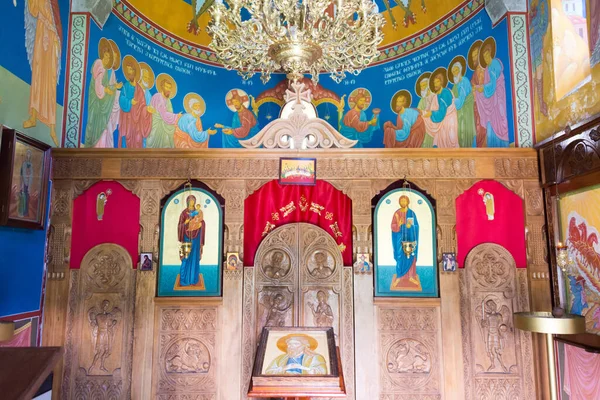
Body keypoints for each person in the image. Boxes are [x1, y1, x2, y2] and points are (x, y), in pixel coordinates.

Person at [23, 0, 62, 146]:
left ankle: (52, 128)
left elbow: (58, 25)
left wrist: (57, 43)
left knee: (51, 83)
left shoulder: (54, 4)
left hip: (52, 41)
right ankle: (33, 116)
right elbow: (33, 11)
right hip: (41, 35)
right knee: (38, 75)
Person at [84, 38, 122, 148]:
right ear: (103, 55)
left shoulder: (112, 72)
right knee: (96, 128)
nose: (108, 59)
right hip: (97, 106)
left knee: (107, 131)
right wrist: (106, 90)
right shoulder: (99, 64)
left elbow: (110, 88)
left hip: (106, 110)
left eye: (110, 58)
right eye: (107, 56)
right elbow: (98, 85)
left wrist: (115, 87)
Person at [473, 38, 510, 147]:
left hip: (498, 99)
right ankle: (492, 147)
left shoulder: (495, 64)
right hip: (491, 100)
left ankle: (502, 147)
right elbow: (487, 86)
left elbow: (493, 83)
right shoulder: (487, 69)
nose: (486, 58)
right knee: (490, 125)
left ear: (491, 54)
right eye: (484, 56)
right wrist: (480, 89)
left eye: (487, 55)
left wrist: (482, 88)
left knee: (500, 122)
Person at [118, 55, 152, 148]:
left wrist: (147, 110)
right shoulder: (125, 86)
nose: (130, 73)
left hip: (137, 122)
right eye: (128, 70)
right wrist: (129, 102)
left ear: (135, 72)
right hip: (127, 119)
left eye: (131, 70)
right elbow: (121, 99)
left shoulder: (139, 89)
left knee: (137, 140)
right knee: (127, 137)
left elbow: (142, 105)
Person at [420, 68, 459, 148]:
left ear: (442, 82)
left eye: (437, 82)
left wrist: (431, 113)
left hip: (448, 124)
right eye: (434, 83)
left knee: (448, 145)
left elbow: (441, 114)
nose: (435, 84)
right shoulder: (437, 95)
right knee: (438, 143)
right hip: (442, 125)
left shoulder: (445, 93)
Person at [391, 195, 420, 287]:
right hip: (399, 237)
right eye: (401, 201)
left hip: (410, 237)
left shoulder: (411, 213)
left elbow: (416, 226)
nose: (403, 203)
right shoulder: (397, 213)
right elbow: (393, 226)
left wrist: (410, 226)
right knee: (400, 256)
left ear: (408, 202)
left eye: (404, 201)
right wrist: (398, 225)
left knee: (410, 255)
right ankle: (399, 276)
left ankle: (411, 276)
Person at [177, 195, 206, 286]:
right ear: (187, 202)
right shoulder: (184, 213)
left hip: (196, 239)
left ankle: (193, 279)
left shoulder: (198, 212)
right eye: (190, 201)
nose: (192, 202)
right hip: (186, 238)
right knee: (185, 258)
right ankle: (183, 280)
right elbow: (180, 225)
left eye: (193, 201)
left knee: (194, 258)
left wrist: (200, 223)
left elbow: (202, 222)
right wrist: (185, 223)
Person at [448, 57, 477, 148]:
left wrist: (452, 101)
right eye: (453, 71)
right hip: (459, 114)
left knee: (466, 133)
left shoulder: (464, 81)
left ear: (460, 70)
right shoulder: (455, 86)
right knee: (459, 133)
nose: (455, 72)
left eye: (456, 70)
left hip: (466, 113)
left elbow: (460, 101)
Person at [88, 300, 121, 374]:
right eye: (104, 305)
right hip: (101, 334)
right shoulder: (98, 316)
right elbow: (96, 324)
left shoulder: (108, 316)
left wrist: (113, 324)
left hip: (106, 334)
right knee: (99, 351)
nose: (105, 306)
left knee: (106, 350)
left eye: (107, 305)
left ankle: (102, 366)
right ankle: (93, 365)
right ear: (102, 305)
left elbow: (109, 326)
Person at [147, 73, 180, 148]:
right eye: (166, 87)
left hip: (165, 125)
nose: (168, 89)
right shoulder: (157, 97)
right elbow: (163, 114)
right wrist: (176, 116)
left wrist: (174, 117)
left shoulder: (168, 100)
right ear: (162, 87)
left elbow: (169, 112)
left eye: (169, 88)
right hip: (157, 126)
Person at [468, 40, 489, 148]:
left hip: (483, 105)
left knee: (481, 127)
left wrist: (475, 89)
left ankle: (483, 147)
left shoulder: (483, 69)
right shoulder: (476, 71)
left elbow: (484, 87)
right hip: (476, 105)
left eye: (476, 55)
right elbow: (472, 86)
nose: (474, 58)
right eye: (473, 56)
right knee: (477, 127)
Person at [18, 149, 34, 217]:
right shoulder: (24, 163)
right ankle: (22, 212)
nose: (28, 155)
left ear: (30, 156)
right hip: (24, 183)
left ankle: (26, 212)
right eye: (27, 154)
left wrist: (29, 177)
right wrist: (22, 183)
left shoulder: (31, 164)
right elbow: (22, 174)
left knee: (27, 198)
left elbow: (32, 174)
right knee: (23, 197)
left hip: (28, 183)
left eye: (29, 154)